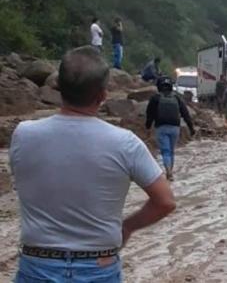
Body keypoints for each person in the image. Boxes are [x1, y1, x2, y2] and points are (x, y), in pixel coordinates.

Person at [9, 46, 176, 283]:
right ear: (102, 95)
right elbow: (165, 201)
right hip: (98, 267)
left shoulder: (23, 135)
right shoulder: (125, 143)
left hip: (37, 265)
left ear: (58, 88)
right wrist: (127, 227)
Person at [146, 77, 195, 180]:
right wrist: (191, 128)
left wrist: (148, 126)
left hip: (161, 127)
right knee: (171, 151)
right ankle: (170, 172)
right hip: (175, 128)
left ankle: (168, 171)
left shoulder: (155, 98)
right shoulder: (177, 98)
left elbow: (149, 114)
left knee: (165, 151)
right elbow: (185, 114)